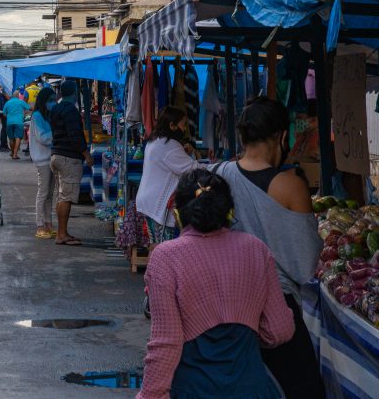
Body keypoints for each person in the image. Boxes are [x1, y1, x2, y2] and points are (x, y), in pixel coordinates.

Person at [139, 168, 294, 399]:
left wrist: (149, 395)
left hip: (193, 389)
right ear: (229, 211)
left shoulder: (166, 257)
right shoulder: (256, 248)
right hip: (252, 388)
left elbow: (166, 344)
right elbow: (279, 330)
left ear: (179, 214)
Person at [212, 97, 324, 399]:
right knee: (303, 389)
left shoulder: (219, 174)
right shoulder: (290, 186)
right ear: (281, 136)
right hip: (277, 305)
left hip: (227, 304)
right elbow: (304, 263)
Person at [136, 107, 202, 244]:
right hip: (158, 204)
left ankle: (155, 265)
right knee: (164, 248)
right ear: (172, 125)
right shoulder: (169, 145)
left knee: (157, 246)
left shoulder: (156, 141)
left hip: (149, 201)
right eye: (183, 125)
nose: (184, 130)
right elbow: (193, 169)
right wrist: (223, 167)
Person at [49, 80, 93, 246]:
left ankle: (63, 232)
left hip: (56, 155)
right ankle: (61, 234)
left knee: (62, 196)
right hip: (68, 158)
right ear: (74, 93)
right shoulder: (71, 110)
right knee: (66, 197)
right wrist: (86, 154)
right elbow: (75, 135)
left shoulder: (56, 108)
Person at [30, 87, 57, 238]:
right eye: (51, 100)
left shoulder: (47, 116)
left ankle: (48, 223)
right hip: (42, 160)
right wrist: (57, 133)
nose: (53, 103)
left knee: (49, 194)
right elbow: (42, 137)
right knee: (43, 192)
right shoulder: (37, 116)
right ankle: (40, 225)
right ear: (44, 101)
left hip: (51, 158)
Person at [1, 90, 29, 160]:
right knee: (18, 137)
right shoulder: (21, 101)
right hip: (19, 122)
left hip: (9, 122)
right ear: (18, 95)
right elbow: (29, 108)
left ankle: (12, 152)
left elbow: (4, 114)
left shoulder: (8, 102)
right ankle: (15, 154)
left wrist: (9, 116)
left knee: (11, 138)